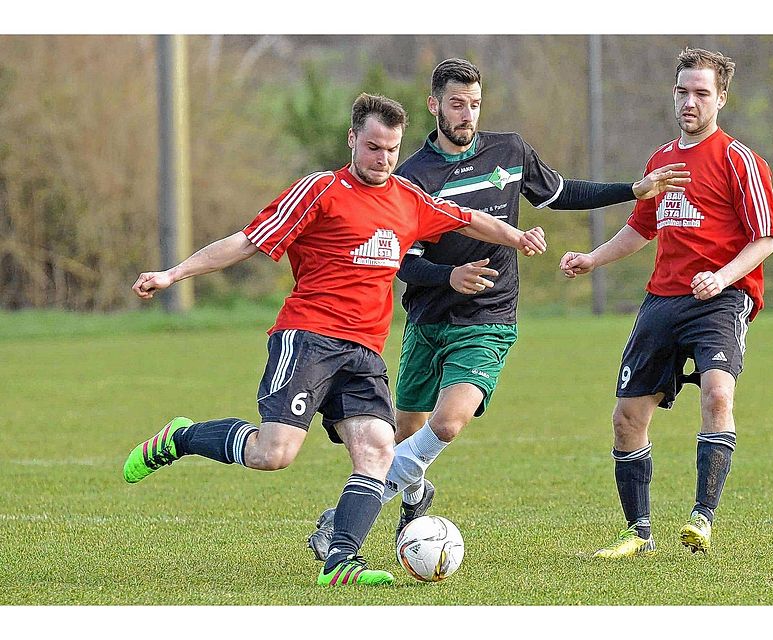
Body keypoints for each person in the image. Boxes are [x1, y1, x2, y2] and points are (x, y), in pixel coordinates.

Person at [123, 92, 547, 587]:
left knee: (378, 450)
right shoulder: (320, 190)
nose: (383, 159)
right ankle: (182, 437)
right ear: (352, 140)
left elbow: (467, 218)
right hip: (308, 338)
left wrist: (516, 238)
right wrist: (174, 274)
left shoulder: (408, 199)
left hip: (364, 351)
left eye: (390, 149)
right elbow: (245, 240)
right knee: (274, 454)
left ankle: (341, 560)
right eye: (372, 148)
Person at [307, 58, 690, 561]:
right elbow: (400, 260)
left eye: (474, 105)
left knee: (447, 423)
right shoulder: (411, 177)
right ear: (434, 106)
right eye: (457, 105)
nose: (467, 115)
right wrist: (449, 277)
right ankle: (416, 493)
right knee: (406, 437)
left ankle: (341, 524)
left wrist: (631, 190)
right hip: (429, 320)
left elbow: (560, 192)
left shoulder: (508, 151)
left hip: (488, 318)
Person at [559, 48, 773, 557]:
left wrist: (721, 278)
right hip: (663, 299)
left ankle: (702, 517)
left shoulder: (737, 160)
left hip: (720, 300)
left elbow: (764, 238)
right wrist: (593, 259)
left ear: (721, 98)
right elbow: (642, 227)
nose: (690, 101)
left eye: (701, 93)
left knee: (718, 395)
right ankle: (637, 532)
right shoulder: (660, 161)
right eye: (683, 91)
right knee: (626, 417)